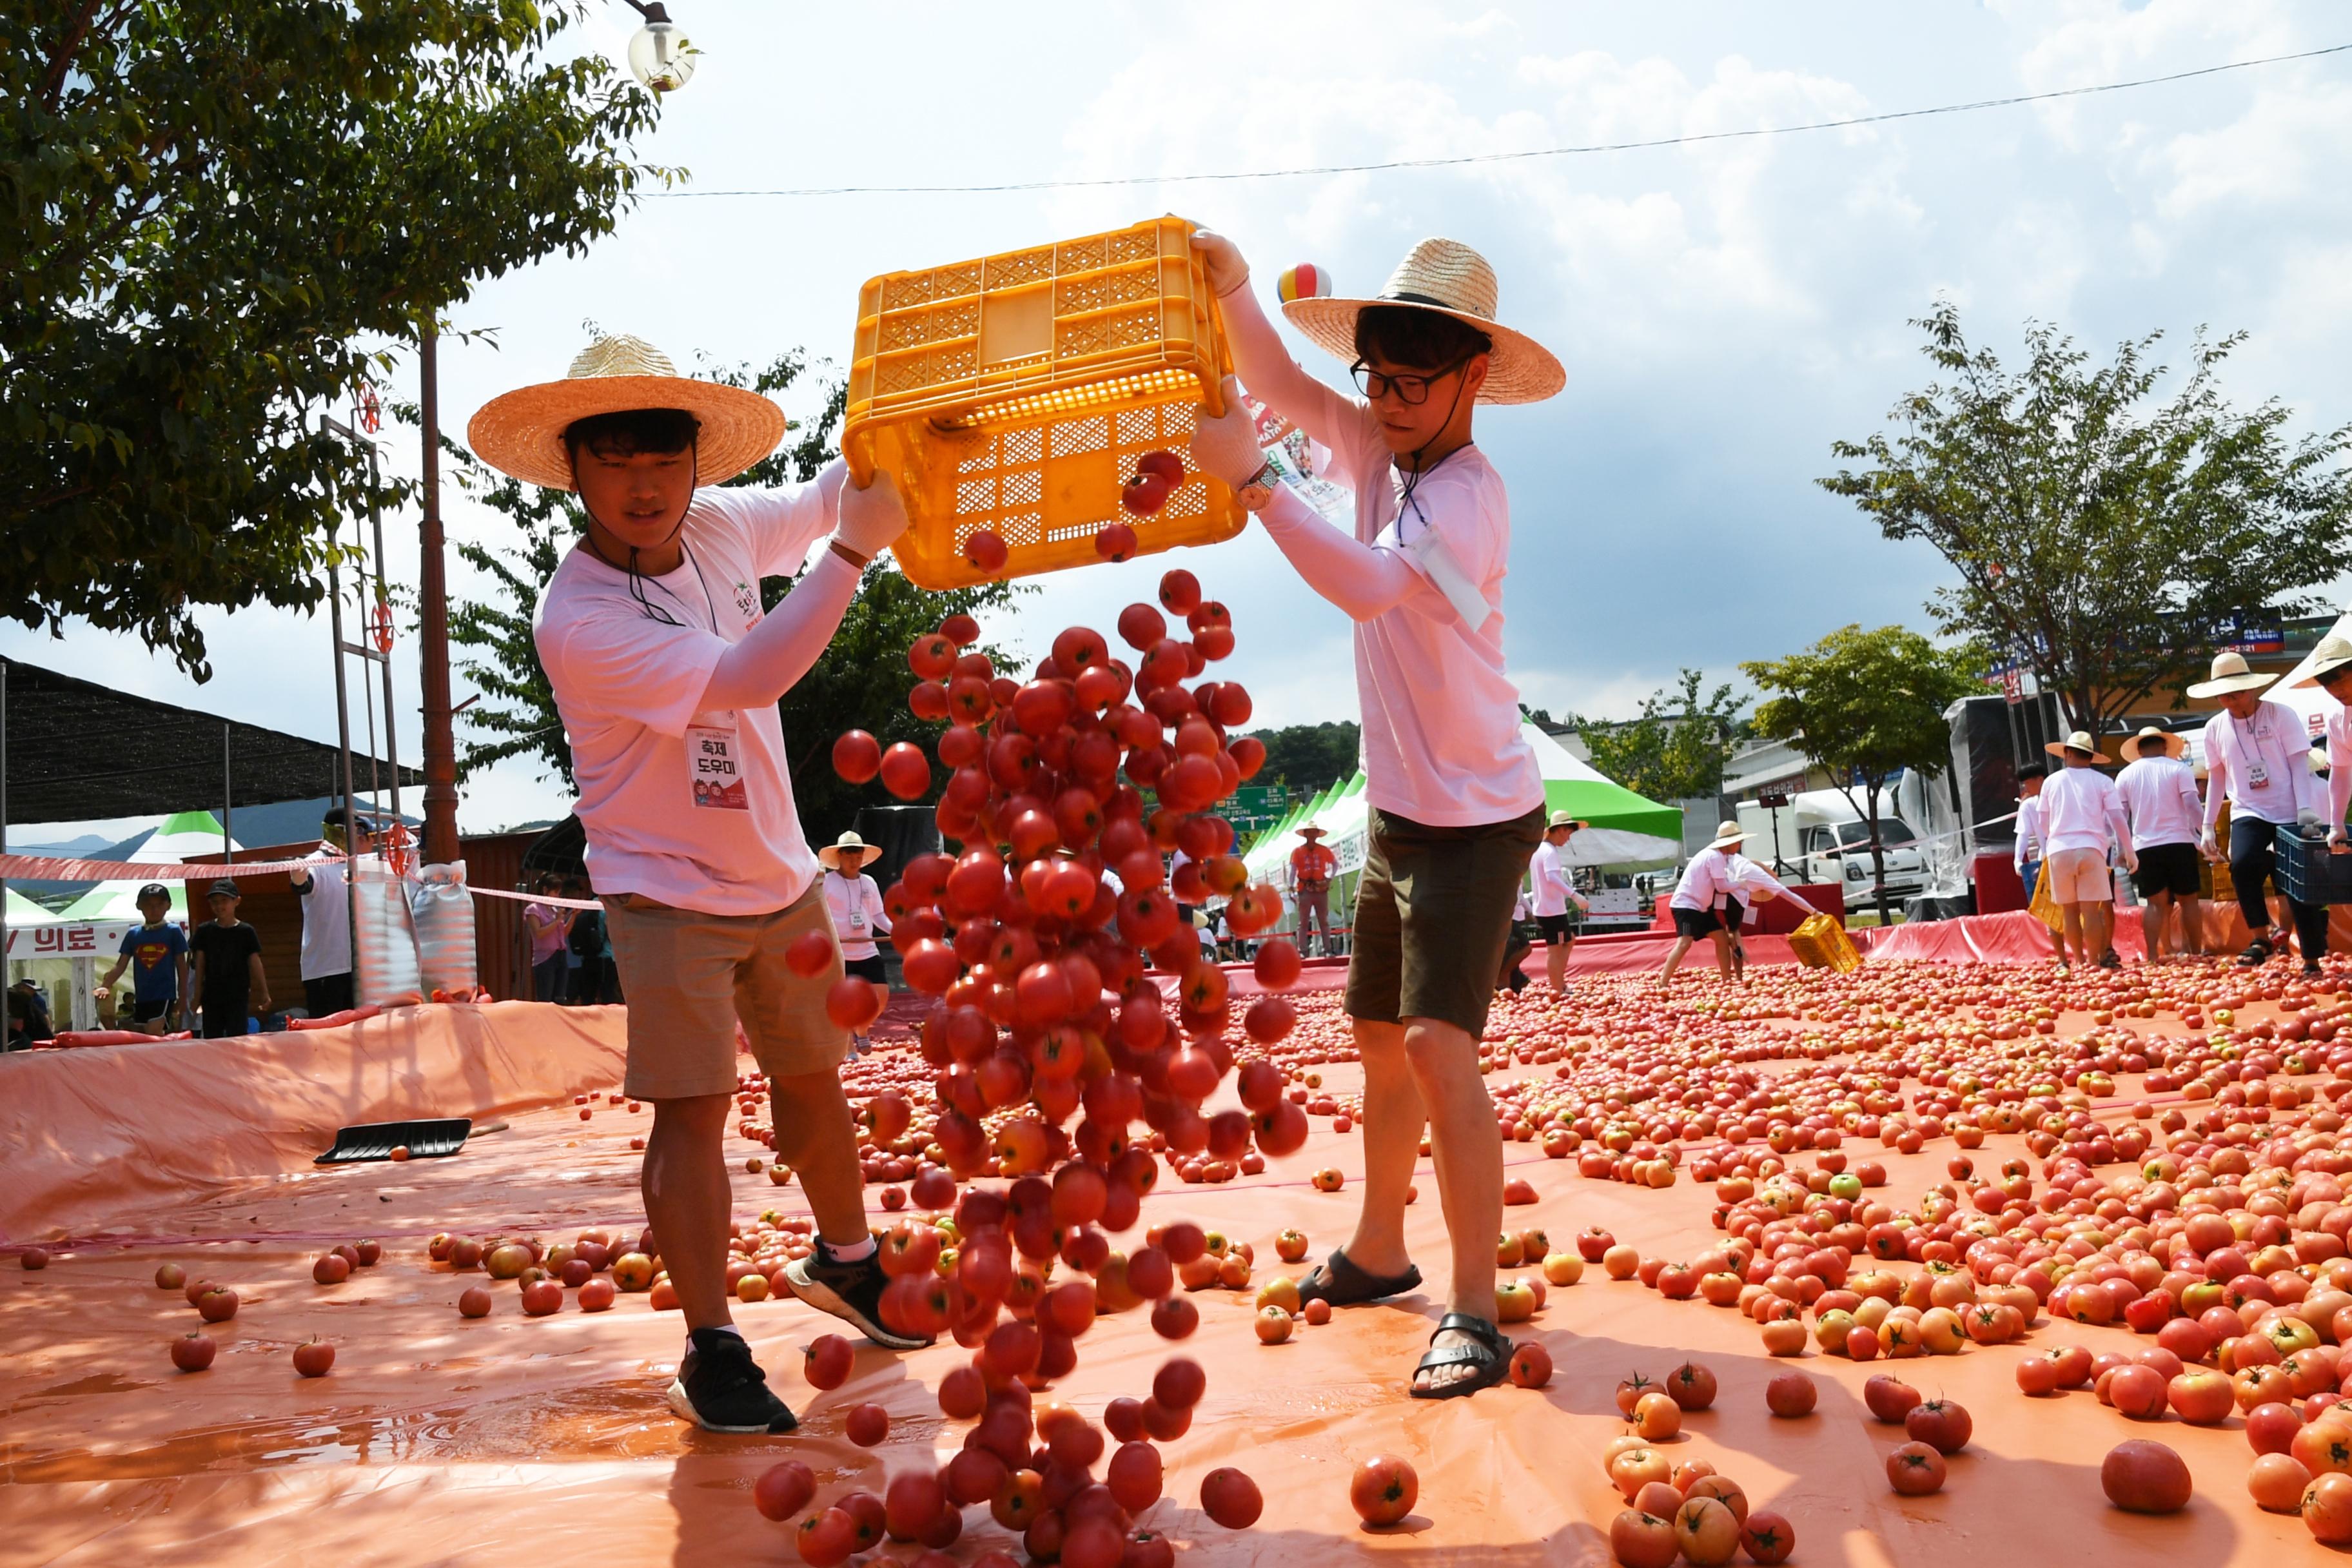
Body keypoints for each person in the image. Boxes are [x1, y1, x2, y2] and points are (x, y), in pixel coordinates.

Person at [473, 331, 918, 1435]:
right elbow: (744, 674)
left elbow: (825, 496)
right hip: (663, 888)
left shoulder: (719, 529)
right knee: (694, 1108)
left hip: (778, 878)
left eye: (663, 458)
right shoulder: (579, 620)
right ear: (571, 474)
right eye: (614, 460)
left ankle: (849, 1262)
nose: (642, 485)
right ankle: (712, 1345)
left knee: (815, 1079)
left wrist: (899, 432)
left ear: (693, 465)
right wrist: (853, 558)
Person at [1188, 230, 1562, 1398]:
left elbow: (1365, 584)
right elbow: (1279, 383)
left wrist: (1254, 483)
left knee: (1441, 1045)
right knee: (1376, 1044)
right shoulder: (1374, 445)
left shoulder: (1468, 495)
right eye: (1379, 378)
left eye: (1414, 381)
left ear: (1469, 383)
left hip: (1477, 815)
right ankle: (1378, 1249)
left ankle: (1474, 1305)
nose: (1389, 401)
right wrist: (1234, 283)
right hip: (1401, 813)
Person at [2191, 650, 2330, 975]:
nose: (2232, 700)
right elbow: (2217, 777)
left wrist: (2306, 809)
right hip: (2248, 809)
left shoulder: (2281, 715)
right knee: (2241, 865)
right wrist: (2208, 824)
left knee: (2298, 883)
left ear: (2252, 688)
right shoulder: (2214, 728)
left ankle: (2311, 958)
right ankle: (2260, 936)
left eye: (2237, 693)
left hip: (2291, 809)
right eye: (2224, 695)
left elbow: (2299, 766)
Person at [2037, 730, 2138, 968]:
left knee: (2069, 911)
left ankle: (2080, 963)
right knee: (2092, 912)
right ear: (2091, 757)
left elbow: (2043, 821)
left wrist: (2052, 840)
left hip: (2059, 849)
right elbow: (2117, 818)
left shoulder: (2052, 781)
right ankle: (2094, 962)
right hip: (2092, 849)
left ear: (2068, 753)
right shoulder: (2102, 781)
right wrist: (2129, 850)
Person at [2112, 726, 2206, 963]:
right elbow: (2193, 806)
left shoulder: (2125, 775)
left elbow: (2119, 817)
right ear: (2164, 746)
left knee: (2155, 904)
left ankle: (2154, 955)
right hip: (2180, 842)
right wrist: (2206, 833)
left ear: (2139, 749)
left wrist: (2123, 848)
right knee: (2189, 901)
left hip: (2145, 845)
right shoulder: (2179, 769)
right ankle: (2195, 952)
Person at [289, 810, 373, 1017]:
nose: (359, 836)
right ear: (340, 831)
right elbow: (303, 884)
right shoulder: (315, 864)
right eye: (356, 830)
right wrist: (298, 876)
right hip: (326, 969)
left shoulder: (355, 864)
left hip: (357, 967)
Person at [818, 831, 892, 1057]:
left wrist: (897, 931)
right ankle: (848, 1046)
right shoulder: (827, 882)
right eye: (849, 855)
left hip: (867, 949)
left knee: (881, 995)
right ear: (839, 856)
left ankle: (861, 1030)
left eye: (858, 855)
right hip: (840, 952)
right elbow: (819, 913)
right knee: (841, 1003)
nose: (854, 860)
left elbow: (878, 915)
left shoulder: (869, 882)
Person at [1660, 823, 1749, 987]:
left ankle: (1726, 981)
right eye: (1738, 841)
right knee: (1684, 943)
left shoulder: (1719, 856)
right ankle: (1663, 983)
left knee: (1722, 939)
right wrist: (1740, 884)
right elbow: (1722, 887)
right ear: (1728, 843)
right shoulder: (1715, 857)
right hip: (1686, 907)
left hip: (1702, 908)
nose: (1740, 845)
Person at [95, 882, 188, 1030]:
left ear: (168, 906)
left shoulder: (173, 931)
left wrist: (183, 997)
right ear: (139, 906)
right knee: (145, 1036)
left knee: (154, 1031)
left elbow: (182, 967)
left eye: (159, 904)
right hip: (142, 996)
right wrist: (105, 986)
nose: (154, 909)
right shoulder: (134, 934)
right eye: (149, 905)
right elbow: (120, 965)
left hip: (164, 995)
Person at [188, 879, 268, 1037]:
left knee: (237, 1037)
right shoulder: (205, 931)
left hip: (238, 994)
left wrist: (264, 991)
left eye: (224, 901)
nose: (219, 906)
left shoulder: (246, 931)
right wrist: (196, 996)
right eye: (215, 902)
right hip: (211, 994)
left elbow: (255, 962)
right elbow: (200, 965)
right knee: (212, 1038)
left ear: (237, 901)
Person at [2297, 635, 2352, 864]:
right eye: (2328, 684)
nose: (2335, 690)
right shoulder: (2338, 719)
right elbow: (2340, 773)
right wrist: (2337, 823)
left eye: (2340, 680)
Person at [1527, 812, 1588, 996]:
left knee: (1567, 941)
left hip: (1547, 908)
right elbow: (1551, 877)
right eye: (1568, 833)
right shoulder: (1549, 851)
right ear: (1561, 830)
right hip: (1551, 910)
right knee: (1556, 949)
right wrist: (1575, 895)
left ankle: (1559, 985)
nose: (1568, 838)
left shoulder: (1540, 849)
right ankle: (1557, 988)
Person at [524, 872, 574, 1003]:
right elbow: (538, 933)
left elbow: (564, 934)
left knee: (560, 998)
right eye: (555, 892)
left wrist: (573, 916)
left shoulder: (554, 910)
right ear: (545, 890)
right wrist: (557, 921)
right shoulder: (533, 910)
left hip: (561, 956)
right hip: (545, 959)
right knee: (545, 999)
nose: (558, 896)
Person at [1289, 825, 1338, 956]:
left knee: (1323, 920)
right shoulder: (1298, 851)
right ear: (1305, 834)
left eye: (1314, 832)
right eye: (1309, 833)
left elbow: (1335, 864)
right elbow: (1293, 869)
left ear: (1317, 834)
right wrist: (1291, 885)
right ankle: (1302, 950)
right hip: (1304, 888)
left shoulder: (1324, 850)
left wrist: (1329, 878)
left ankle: (1327, 949)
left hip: (1320, 888)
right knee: (1303, 921)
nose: (1312, 835)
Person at [6, 977, 54, 1048]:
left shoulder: (37, 1001)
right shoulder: (23, 1000)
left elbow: (45, 1017)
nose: (21, 989)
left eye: (24, 988)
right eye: (20, 988)